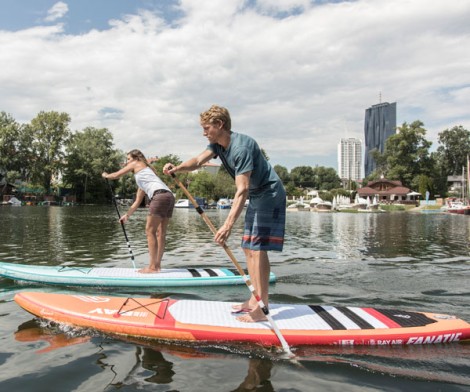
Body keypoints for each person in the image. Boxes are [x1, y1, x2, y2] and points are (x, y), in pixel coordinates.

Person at [163, 105, 286, 322]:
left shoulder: (241, 148)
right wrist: (177, 168)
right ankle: (253, 299)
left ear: (220, 125)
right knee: (248, 248)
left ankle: (262, 309)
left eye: (206, 127)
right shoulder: (218, 145)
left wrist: (227, 225)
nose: (204, 132)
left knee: (258, 250)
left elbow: (242, 189)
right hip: (257, 194)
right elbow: (198, 161)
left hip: (269, 193)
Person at [102, 149, 175, 273]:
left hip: (159, 197)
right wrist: (127, 215)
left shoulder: (137, 164)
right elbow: (137, 201)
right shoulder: (145, 175)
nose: (127, 162)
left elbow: (115, 175)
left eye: (128, 159)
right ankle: (157, 266)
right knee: (160, 233)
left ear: (136, 159)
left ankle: (152, 267)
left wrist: (106, 175)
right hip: (169, 196)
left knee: (149, 231)